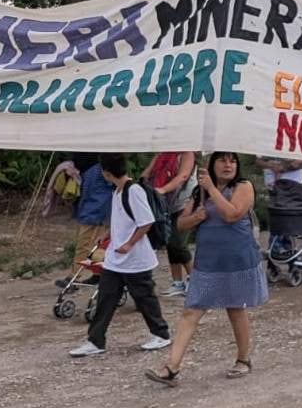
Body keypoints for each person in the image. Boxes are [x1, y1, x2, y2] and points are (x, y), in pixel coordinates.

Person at [146, 152, 269, 385]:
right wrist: (196, 217)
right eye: (222, 160)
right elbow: (181, 224)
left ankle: (243, 359)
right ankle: (172, 366)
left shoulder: (244, 186)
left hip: (237, 260)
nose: (228, 165)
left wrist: (212, 189)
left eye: (232, 161)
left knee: (235, 309)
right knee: (191, 310)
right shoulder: (198, 192)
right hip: (207, 262)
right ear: (212, 165)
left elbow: (232, 214)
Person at [68, 153, 172, 358]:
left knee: (145, 298)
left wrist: (129, 244)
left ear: (107, 173)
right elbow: (124, 219)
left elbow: (146, 221)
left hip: (134, 259)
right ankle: (95, 340)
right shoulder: (118, 191)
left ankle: (161, 334)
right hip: (117, 260)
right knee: (106, 299)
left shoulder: (133, 191)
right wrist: (109, 235)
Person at [142, 151, 197, 297]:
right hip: (166, 204)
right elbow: (147, 172)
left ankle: (195, 281)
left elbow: (183, 176)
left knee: (177, 242)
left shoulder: (187, 153)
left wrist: (163, 189)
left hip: (184, 203)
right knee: (169, 243)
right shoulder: (162, 154)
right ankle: (177, 282)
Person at [56, 154, 111, 289]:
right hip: (94, 202)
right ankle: (98, 274)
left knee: (85, 242)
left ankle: (74, 277)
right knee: (97, 244)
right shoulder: (95, 164)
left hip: (96, 205)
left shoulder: (99, 165)